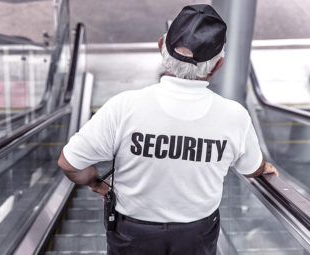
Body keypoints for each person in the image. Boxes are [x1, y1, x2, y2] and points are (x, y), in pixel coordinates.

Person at [58, 4, 279, 255]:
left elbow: (68, 163)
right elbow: (251, 169)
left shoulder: (124, 106)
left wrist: (96, 183)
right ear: (218, 65)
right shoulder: (234, 116)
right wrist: (265, 168)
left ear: (161, 45)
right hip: (196, 235)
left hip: (132, 233)